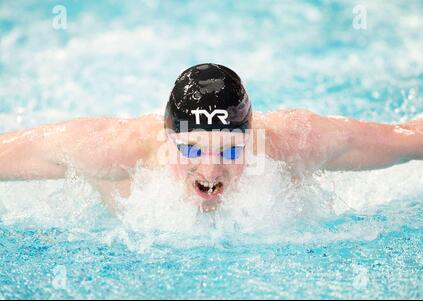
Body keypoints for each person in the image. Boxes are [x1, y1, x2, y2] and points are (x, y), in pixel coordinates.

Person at [0, 63, 422, 212]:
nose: (210, 170)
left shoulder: (295, 143)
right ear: (167, 138)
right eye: (191, 148)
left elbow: (407, 138)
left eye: (231, 149)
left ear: (252, 139)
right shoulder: (111, 151)